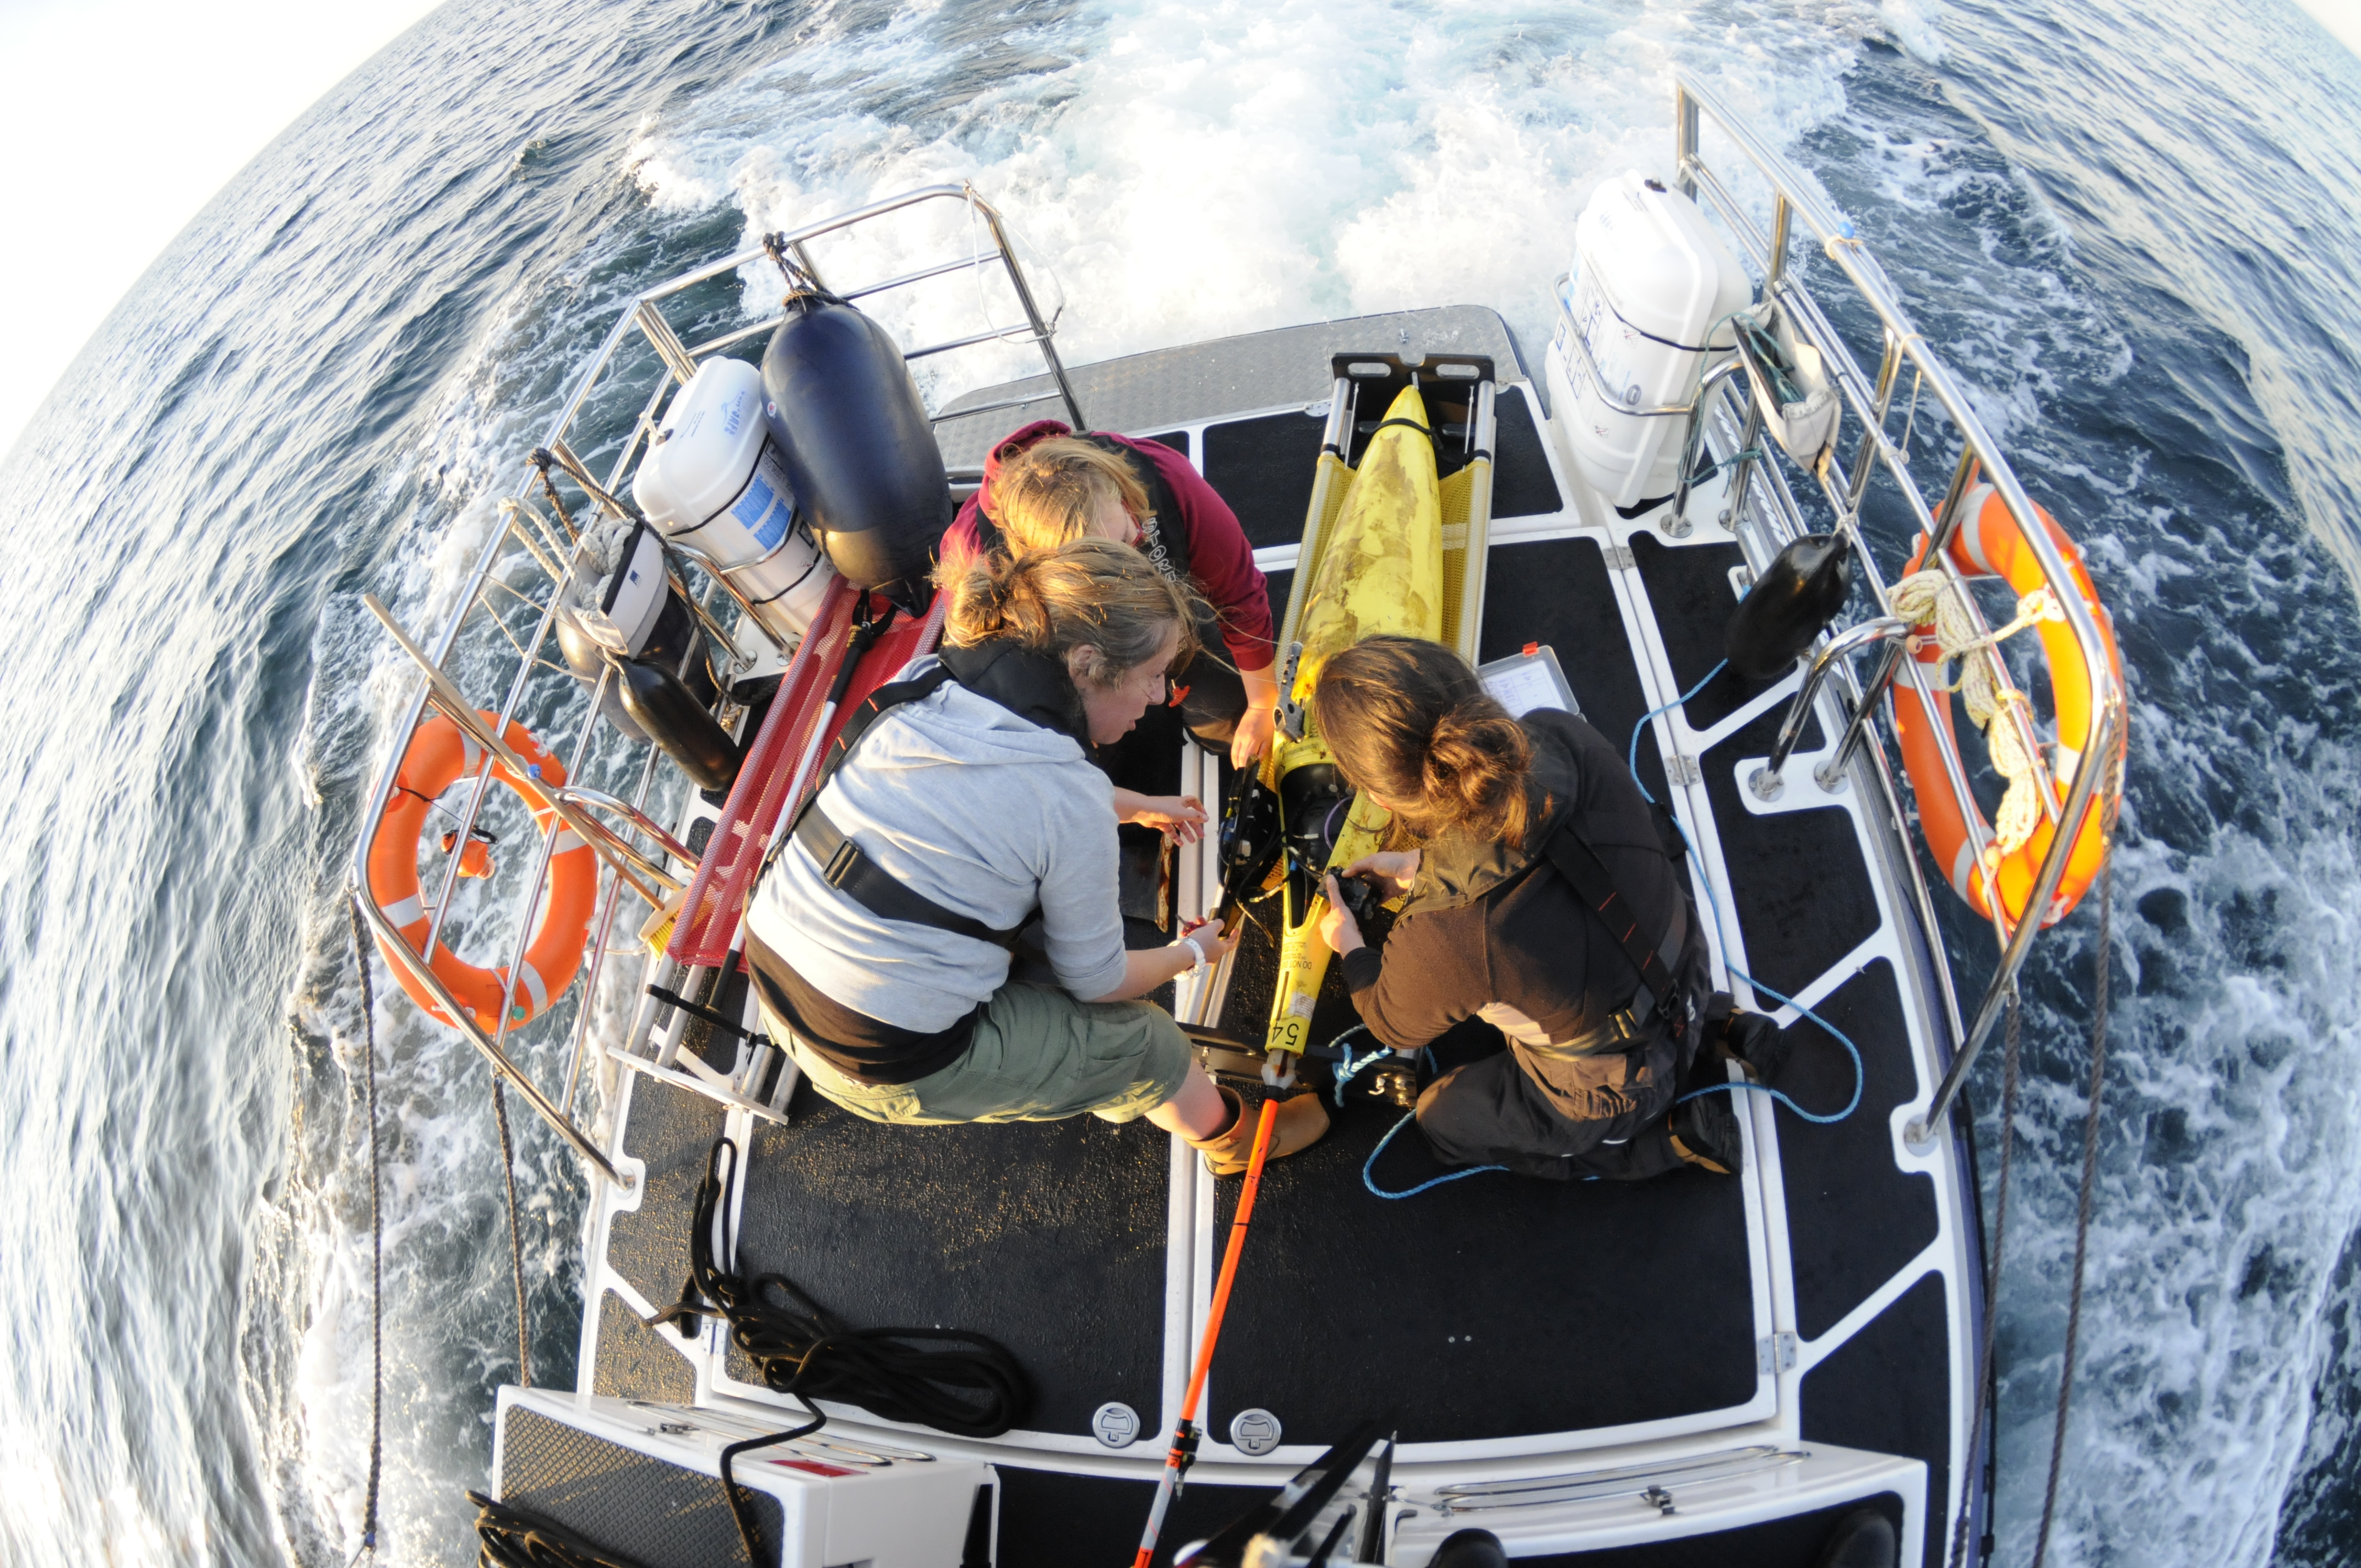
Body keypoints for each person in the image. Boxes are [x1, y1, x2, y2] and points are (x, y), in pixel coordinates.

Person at [742, 537, 1329, 1173]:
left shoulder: (929, 680)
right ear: (1085, 665)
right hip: (881, 1058)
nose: (1160, 697)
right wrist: (1191, 953)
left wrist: (1132, 807)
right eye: (1152, 675)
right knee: (1147, 1040)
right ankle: (1230, 1142)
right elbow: (1099, 981)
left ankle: (1082, 1066)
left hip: (774, 972)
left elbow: (999, 784)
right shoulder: (1068, 798)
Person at [1309, 635, 1778, 1180]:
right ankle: (1722, 1027)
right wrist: (1421, 864)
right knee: (1627, 968)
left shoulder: (1445, 935)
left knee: (1438, 1117)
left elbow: (1391, 1022)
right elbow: (1530, 836)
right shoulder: (1561, 731)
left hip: (1613, 1088)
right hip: (1687, 969)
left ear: (1384, 797)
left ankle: (1666, 1141)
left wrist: (1349, 944)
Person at [943, 421, 1280, 772]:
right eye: (1105, 562)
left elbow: (1240, 598)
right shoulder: (976, 562)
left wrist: (1262, 704)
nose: (1130, 564)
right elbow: (1005, 694)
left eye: (1126, 538)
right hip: (1077, 658)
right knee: (1109, 766)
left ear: (1122, 492)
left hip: (1165, 621)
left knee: (1226, 721)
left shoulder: (1165, 477)